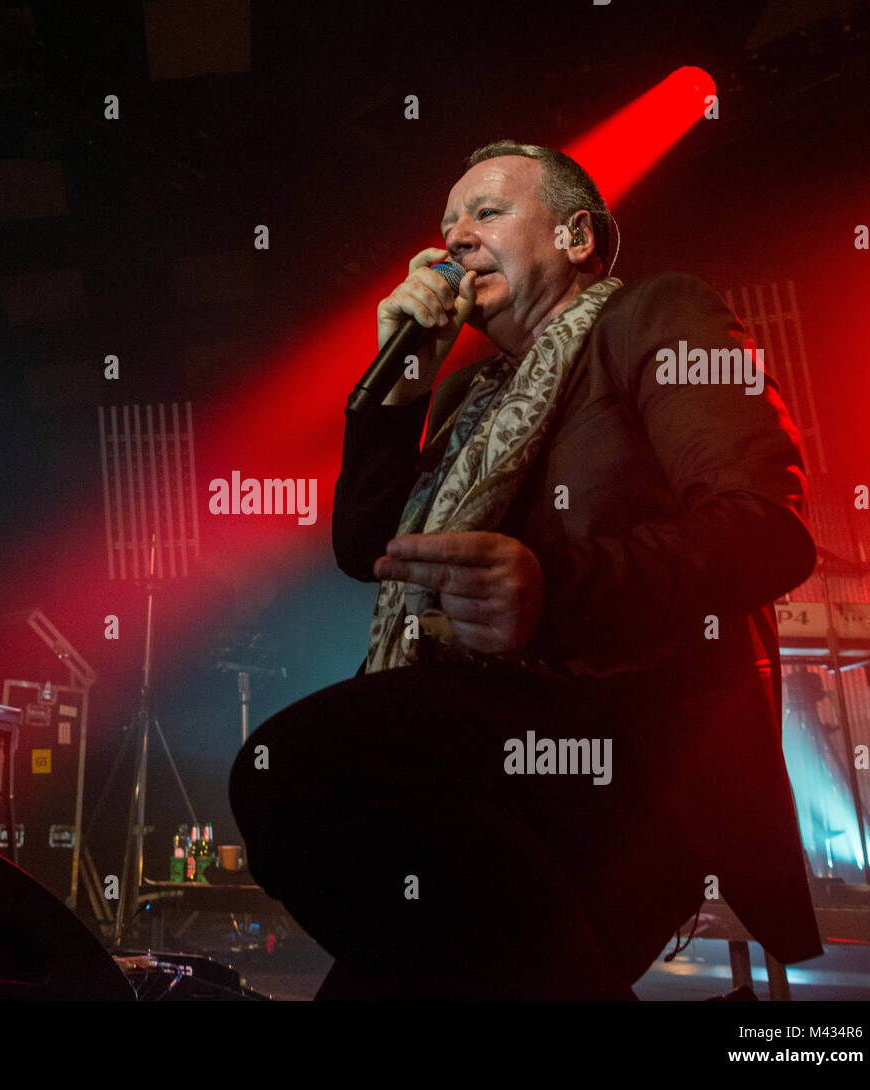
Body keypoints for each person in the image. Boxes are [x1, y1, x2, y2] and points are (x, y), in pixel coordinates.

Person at [228, 140, 823, 999]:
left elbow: (769, 528)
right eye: (444, 224)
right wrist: (407, 370)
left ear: (577, 236)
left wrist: (556, 590)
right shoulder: (476, 397)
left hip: (622, 747)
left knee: (290, 772)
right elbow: (368, 550)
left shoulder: (656, 316)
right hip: (492, 776)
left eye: (485, 212)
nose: (453, 238)